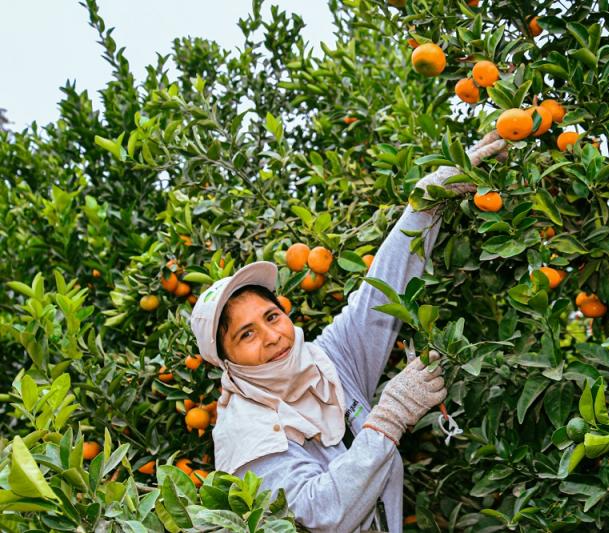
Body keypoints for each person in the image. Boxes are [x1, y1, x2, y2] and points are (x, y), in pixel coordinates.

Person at [189, 132, 506, 532]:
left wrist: (427, 202)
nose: (271, 337)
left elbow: (379, 289)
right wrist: (388, 417)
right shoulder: (245, 439)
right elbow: (321, 515)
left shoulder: (325, 362)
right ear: (227, 359)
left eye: (271, 317)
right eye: (245, 335)